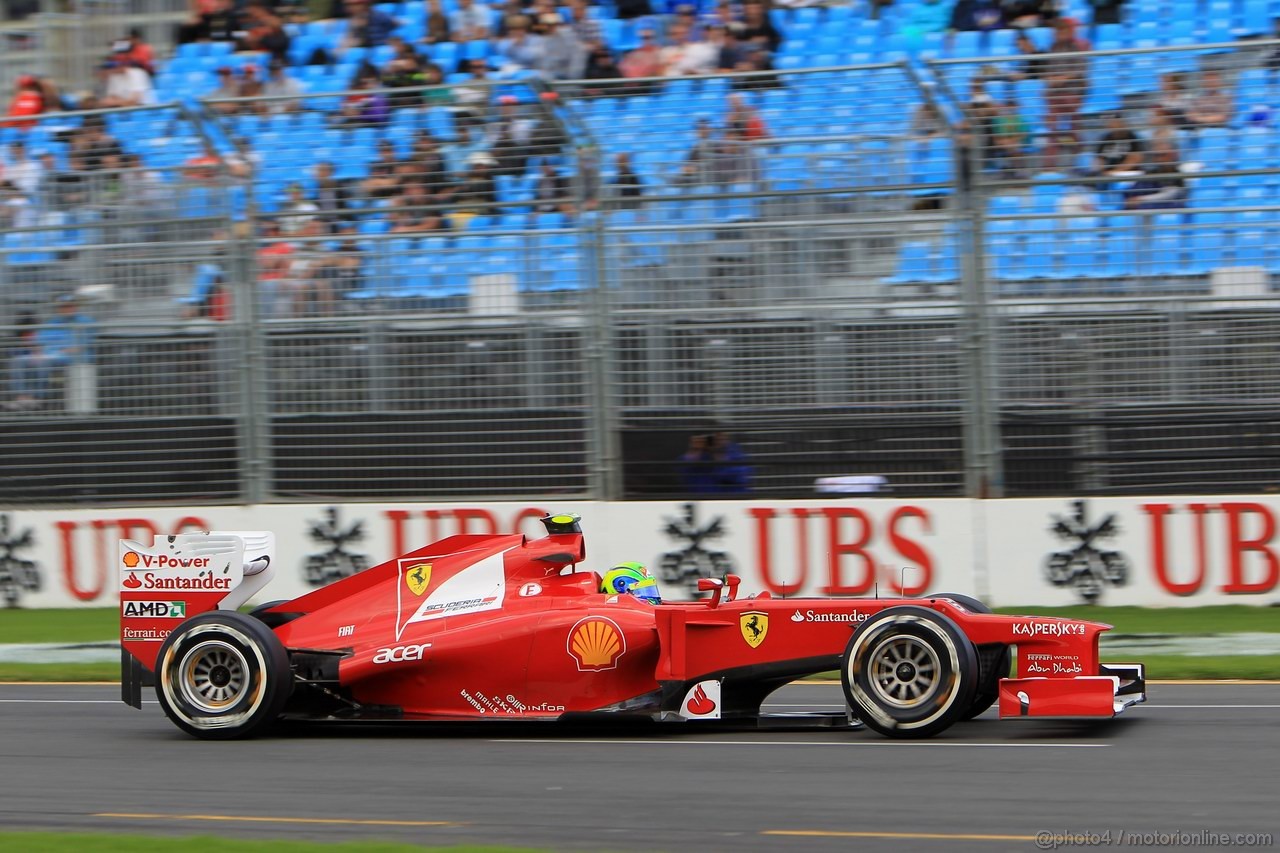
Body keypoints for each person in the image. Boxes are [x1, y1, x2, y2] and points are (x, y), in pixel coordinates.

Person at [6, 295, 95, 411]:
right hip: (50, 355)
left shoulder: (85, 321)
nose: (66, 309)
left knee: (42, 361)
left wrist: (56, 352)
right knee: (18, 361)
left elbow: (81, 346)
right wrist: (37, 352)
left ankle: (37, 398)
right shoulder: (53, 322)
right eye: (63, 307)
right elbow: (39, 341)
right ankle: (22, 397)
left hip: (73, 357)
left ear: (76, 307)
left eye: (70, 306)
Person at [679, 431, 752, 494]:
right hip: (704, 500)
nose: (713, 441)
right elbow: (683, 471)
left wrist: (718, 454)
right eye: (710, 438)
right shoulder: (697, 455)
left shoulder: (732, 451)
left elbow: (742, 474)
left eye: (717, 437)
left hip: (732, 498)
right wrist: (696, 449)